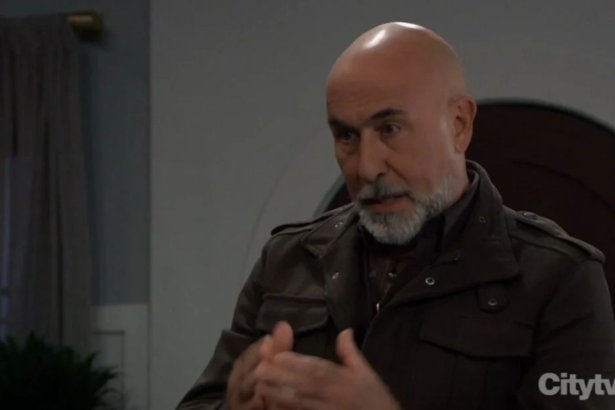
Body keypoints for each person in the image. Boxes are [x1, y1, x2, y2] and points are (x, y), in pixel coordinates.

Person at [177, 22, 615, 409]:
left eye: (390, 129)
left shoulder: (560, 279)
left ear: (459, 124)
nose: (367, 167)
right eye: (347, 136)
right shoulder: (288, 260)